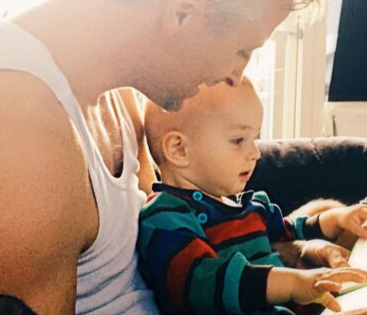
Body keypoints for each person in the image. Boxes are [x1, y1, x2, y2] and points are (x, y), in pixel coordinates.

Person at [0, 0, 336, 314]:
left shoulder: (122, 94)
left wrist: (297, 248)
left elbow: (182, 244)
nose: (234, 76)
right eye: (242, 49)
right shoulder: (23, 134)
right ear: (181, 14)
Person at [139, 78, 367, 314]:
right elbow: (200, 284)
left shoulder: (251, 205)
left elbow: (288, 233)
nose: (255, 153)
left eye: (255, 138)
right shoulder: (166, 215)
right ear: (179, 149)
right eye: (238, 140)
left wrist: (337, 219)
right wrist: (291, 283)